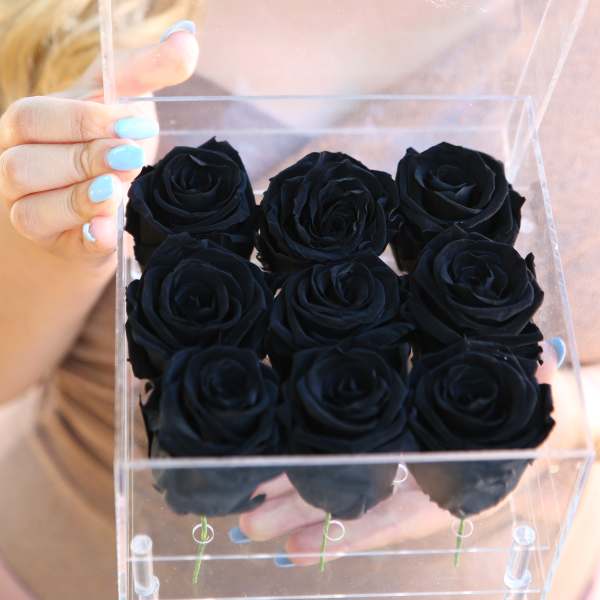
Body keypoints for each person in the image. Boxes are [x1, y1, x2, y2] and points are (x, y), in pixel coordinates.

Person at [0, 2, 596, 599]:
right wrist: (64, 235)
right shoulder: (94, 23)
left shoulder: (574, 36)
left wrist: (554, 423)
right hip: (73, 559)